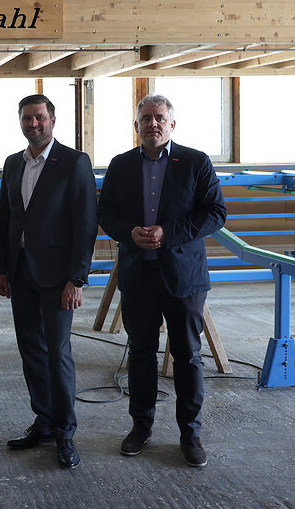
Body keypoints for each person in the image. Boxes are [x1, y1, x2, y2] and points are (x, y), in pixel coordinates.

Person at [98, 94, 226, 468]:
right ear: (136, 125)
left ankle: (191, 435)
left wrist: (168, 232)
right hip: (138, 275)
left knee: (187, 355)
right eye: (145, 118)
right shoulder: (121, 166)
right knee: (140, 354)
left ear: (172, 124)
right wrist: (129, 232)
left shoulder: (195, 162)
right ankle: (141, 428)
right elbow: (105, 213)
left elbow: (216, 212)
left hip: (183, 277)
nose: (152, 124)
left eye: (159, 118)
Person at [0, 94, 97, 470]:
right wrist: (0, 269)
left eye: (39, 118)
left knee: (58, 353)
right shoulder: (12, 163)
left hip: (58, 278)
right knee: (32, 352)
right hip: (20, 274)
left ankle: (66, 432)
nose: (33, 124)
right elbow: (5, 219)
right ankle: (45, 420)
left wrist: (77, 278)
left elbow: (85, 224)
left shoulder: (73, 162)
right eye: (27, 118)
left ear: (52, 120)